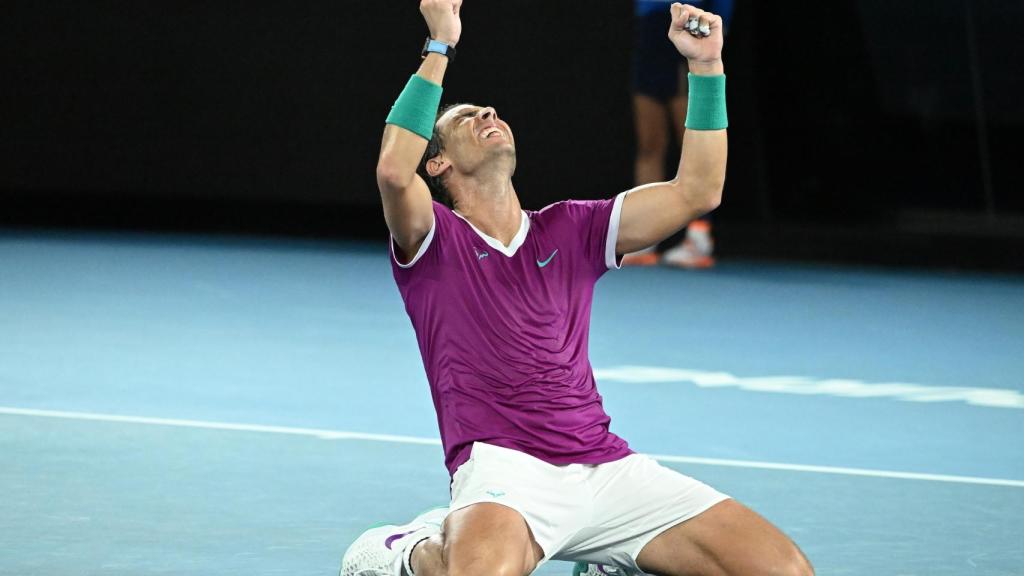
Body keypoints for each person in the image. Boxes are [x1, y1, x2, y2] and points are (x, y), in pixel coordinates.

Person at [341, 2, 813, 575]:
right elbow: (394, 171)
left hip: (606, 468)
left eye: (490, 110)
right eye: (465, 117)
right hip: (504, 472)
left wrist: (708, 67)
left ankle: (614, 563)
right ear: (436, 165)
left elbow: (698, 191)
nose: (488, 111)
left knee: (781, 570)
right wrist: (441, 43)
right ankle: (410, 553)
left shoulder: (573, 227)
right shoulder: (433, 239)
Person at [623, 0, 733, 269]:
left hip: (686, 26)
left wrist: (721, 21)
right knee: (649, 143)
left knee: (694, 139)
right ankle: (644, 236)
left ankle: (698, 237)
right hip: (650, 31)